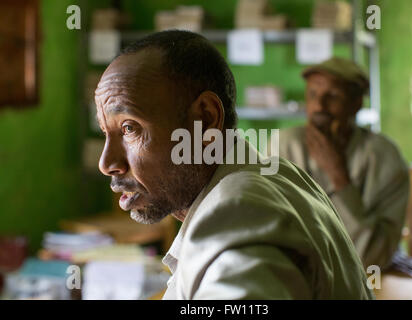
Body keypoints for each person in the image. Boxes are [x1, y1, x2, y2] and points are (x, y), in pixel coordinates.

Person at [95, 30, 373, 299]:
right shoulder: (274, 178)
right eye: (105, 133)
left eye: (129, 128)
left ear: (205, 120)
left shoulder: (238, 209)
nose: (107, 163)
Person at [274, 57, 409, 271]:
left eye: (333, 96)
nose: (319, 106)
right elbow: (273, 235)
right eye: (313, 94)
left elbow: (370, 258)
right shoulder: (285, 146)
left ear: (356, 104)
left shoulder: (384, 157)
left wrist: (338, 174)